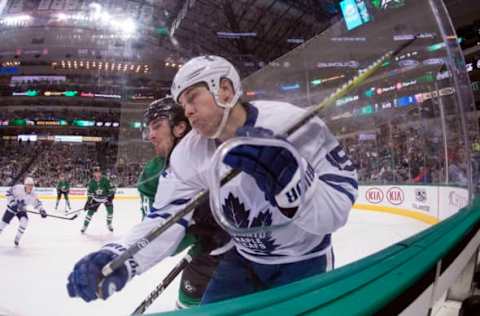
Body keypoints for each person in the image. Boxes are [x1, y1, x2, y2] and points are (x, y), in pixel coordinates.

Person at [66, 55, 357, 304]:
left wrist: (294, 184)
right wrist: (122, 258)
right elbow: (165, 216)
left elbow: (337, 210)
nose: (188, 110)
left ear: (226, 90)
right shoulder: (189, 154)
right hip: (243, 259)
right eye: (183, 103)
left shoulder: (293, 123)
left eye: (193, 98)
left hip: (304, 261)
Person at [138, 97, 230, 308]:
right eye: (149, 129)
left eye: (157, 126)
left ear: (180, 128)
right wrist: (196, 234)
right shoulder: (153, 175)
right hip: (207, 256)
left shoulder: (220, 151)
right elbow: (156, 239)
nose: (150, 135)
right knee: (188, 305)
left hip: (253, 253)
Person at [0, 177, 47, 246]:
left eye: (32, 185)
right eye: (29, 185)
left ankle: (17, 238)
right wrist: (13, 203)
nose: (30, 187)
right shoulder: (18, 188)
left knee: (24, 221)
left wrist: (42, 210)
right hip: (12, 208)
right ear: (25, 185)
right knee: (3, 224)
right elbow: (8, 193)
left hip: (21, 210)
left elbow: (37, 203)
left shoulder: (33, 194)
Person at [80, 166, 115, 233]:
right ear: (93, 174)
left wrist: (111, 196)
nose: (97, 174)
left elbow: (111, 189)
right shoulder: (91, 182)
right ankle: (84, 226)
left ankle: (109, 224)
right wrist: (88, 202)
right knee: (90, 213)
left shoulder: (105, 180)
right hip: (96, 199)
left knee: (110, 211)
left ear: (101, 173)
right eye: (96, 173)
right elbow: (90, 193)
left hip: (105, 198)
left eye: (99, 172)